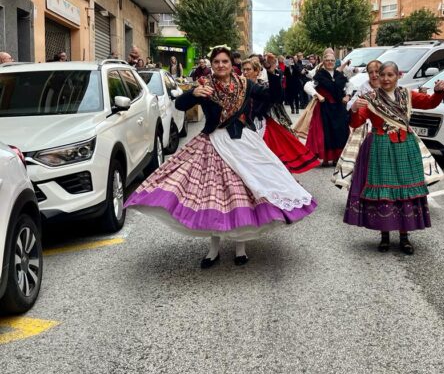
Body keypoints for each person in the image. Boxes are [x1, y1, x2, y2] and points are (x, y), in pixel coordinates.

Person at [124, 46, 317, 268]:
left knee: (243, 195)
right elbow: (180, 104)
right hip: (214, 142)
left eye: (224, 61)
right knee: (214, 197)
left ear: (231, 64)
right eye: (216, 62)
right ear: (212, 65)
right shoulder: (204, 85)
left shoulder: (245, 84)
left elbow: (274, 97)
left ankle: (240, 248)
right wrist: (193, 94)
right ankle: (213, 250)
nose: (221, 65)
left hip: (243, 142)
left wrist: (272, 72)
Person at [344, 61, 444, 255]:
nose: (385, 79)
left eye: (390, 75)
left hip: (405, 146)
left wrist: (439, 92)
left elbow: (429, 103)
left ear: (398, 76)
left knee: (404, 190)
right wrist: (355, 109)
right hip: (380, 146)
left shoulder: (407, 95)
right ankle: (384, 236)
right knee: (384, 190)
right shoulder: (370, 98)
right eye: (382, 75)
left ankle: (404, 237)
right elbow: (356, 122)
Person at [242, 56, 319, 174]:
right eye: (244, 69)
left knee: (269, 158)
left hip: (260, 124)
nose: (245, 72)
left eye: (248, 69)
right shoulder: (238, 86)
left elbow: (276, 97)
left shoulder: (263, 86)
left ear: (257, 72)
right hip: (242, 126)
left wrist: (271, 72)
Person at [332, 60, 382, 189]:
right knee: (364, 160)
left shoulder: (387, 85)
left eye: (377, 71)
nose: (374, 75)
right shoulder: (364, 88)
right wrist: (355, 106)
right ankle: (363, 186)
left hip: (386, 128)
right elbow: (350, 105)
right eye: (371, 72)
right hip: (366, 126)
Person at [305, 51, 351, 166]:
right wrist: (317, 95)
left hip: (339, 108)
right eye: (327, 60)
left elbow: (350, 85)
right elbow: (308, 85)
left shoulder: (339, 75)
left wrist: (347, 96)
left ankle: (337, 158)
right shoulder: (319, 75)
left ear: (335, 62)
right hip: (325, 108)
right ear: (323, 62)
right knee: (327, 132)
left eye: (332, 60)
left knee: (340, 131)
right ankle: (326, 158)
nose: (330, 62)